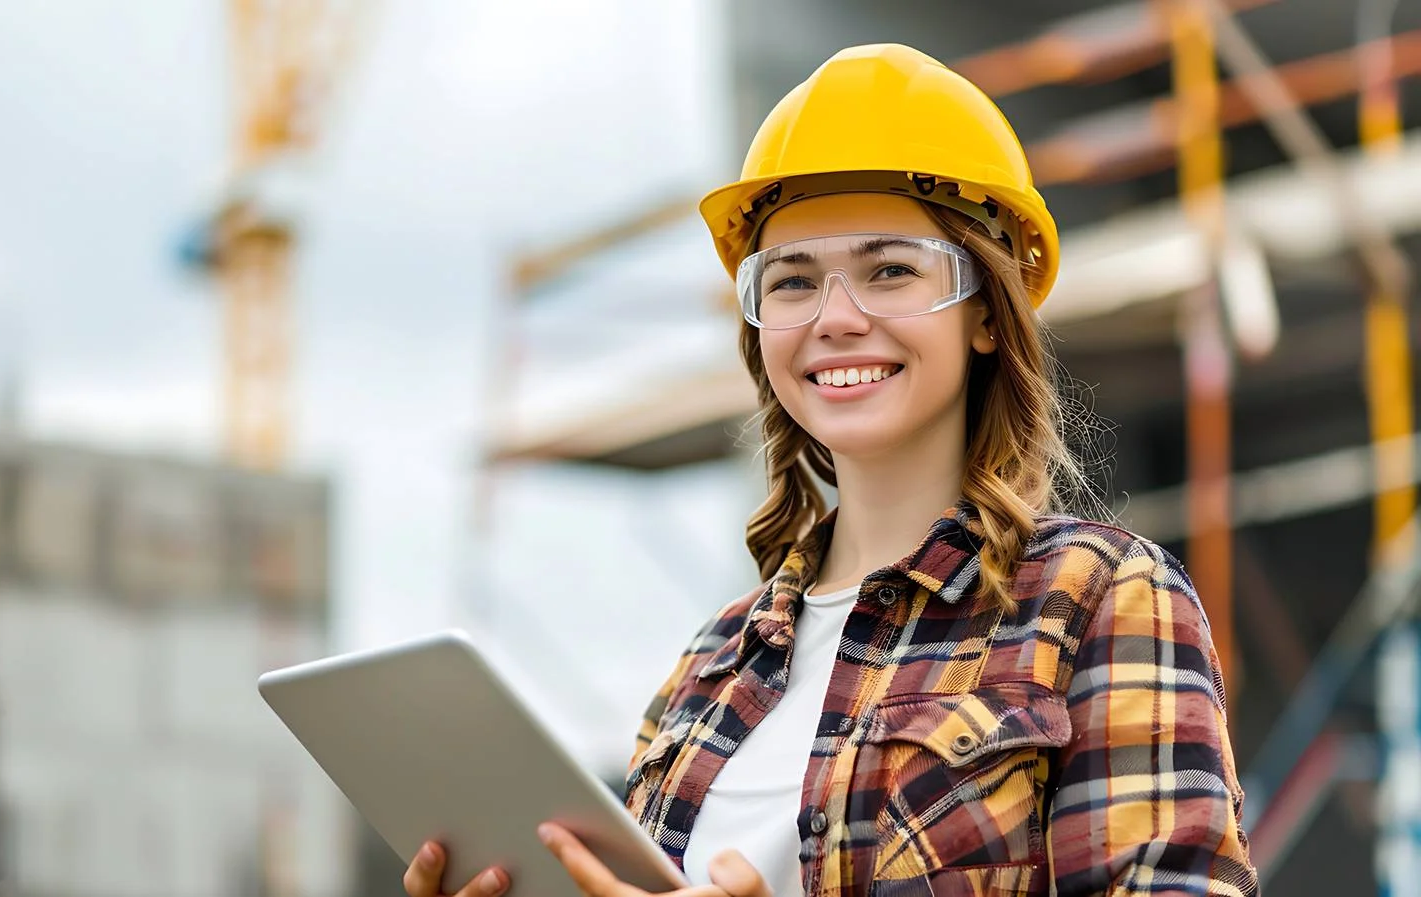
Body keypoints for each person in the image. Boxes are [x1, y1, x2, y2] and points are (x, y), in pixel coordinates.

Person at [403, 43, 1259, 897]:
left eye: (890, 270)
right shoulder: (707, 672)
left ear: (986, 316)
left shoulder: (1099, 598)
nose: (836, 318)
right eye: (792, 281)